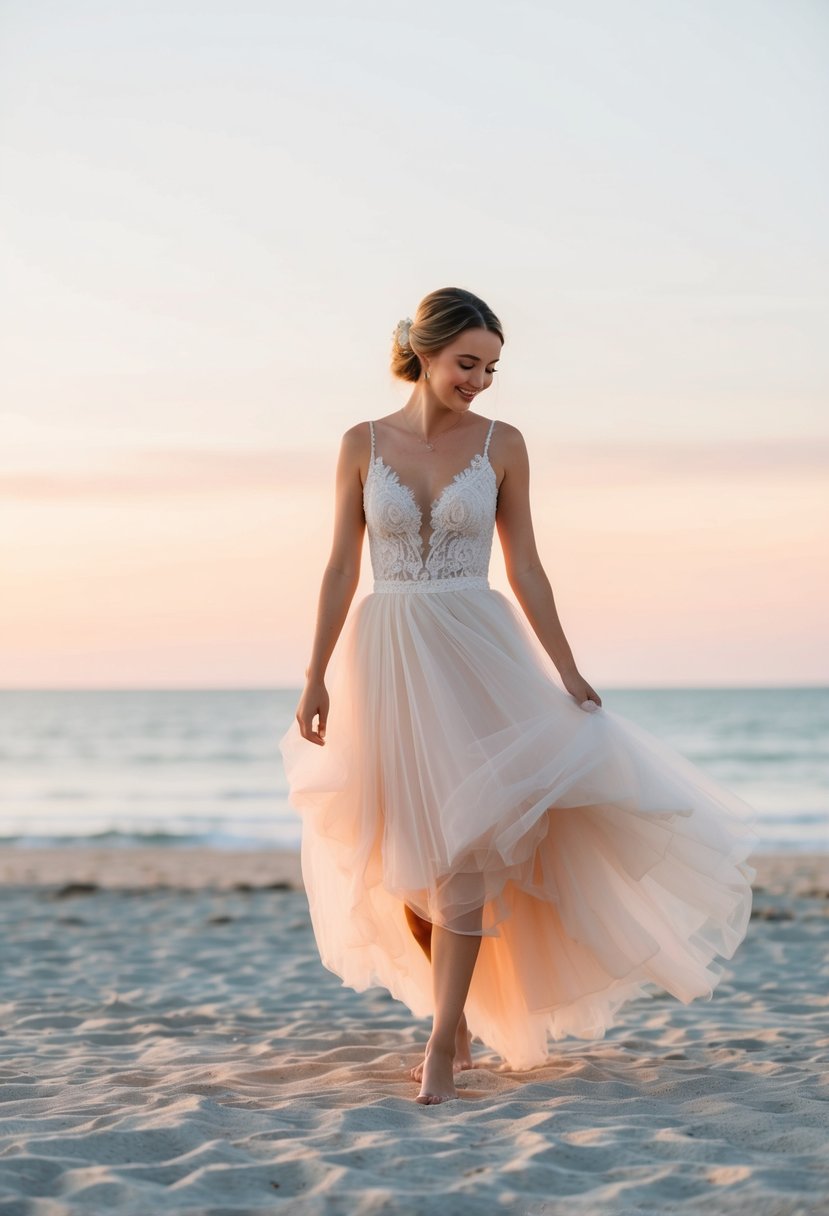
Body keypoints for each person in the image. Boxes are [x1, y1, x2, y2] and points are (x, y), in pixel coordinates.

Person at [279, 286, 759, 1105]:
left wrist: (566, 669)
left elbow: (526, 565)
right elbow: (337, 568)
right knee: (408, 860)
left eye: (492, 367)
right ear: (423, 353)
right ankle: (454, 1017)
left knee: (465, 849)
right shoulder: (359, 442)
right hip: (385, 655)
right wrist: (314, 674)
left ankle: (440, 1044)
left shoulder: (504, 445)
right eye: (467, 363)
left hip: (476, 652)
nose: (480, 381)